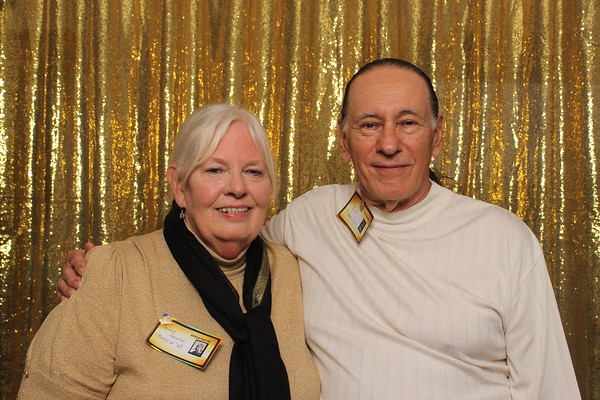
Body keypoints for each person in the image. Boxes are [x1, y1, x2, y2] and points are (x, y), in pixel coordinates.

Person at [57, 58, 581, 399]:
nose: (389, 144)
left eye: (408, 123)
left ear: (437, 136)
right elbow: (216, 238)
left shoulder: (504, 240)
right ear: (345, 140)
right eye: (370, 125)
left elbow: (550, 386)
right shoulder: (311, 218)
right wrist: (99, 274)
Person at [19, 104, 320, 399]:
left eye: (253, 172)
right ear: (179, 186)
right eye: (215, 170)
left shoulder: (291, 270)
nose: (237, 188)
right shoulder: (116, 273)